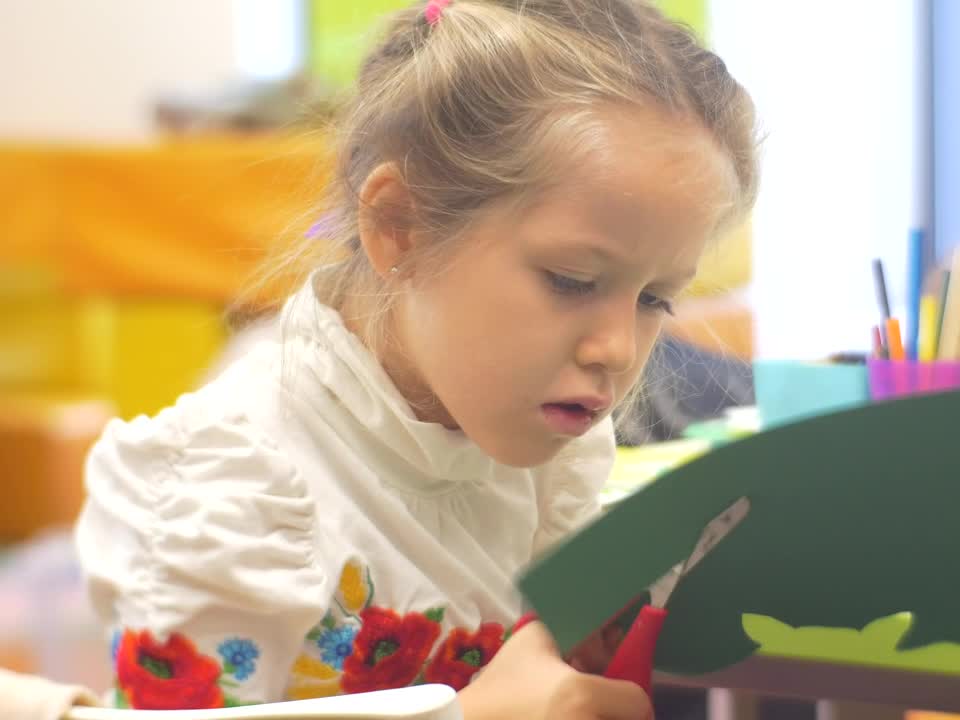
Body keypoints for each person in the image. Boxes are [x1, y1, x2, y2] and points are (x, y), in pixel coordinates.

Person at [74, 0, 759, 717]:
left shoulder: (543, 439)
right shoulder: (231, 489)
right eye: (571, 281)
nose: (617, 350)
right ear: (398, 225)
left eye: (656, 299)